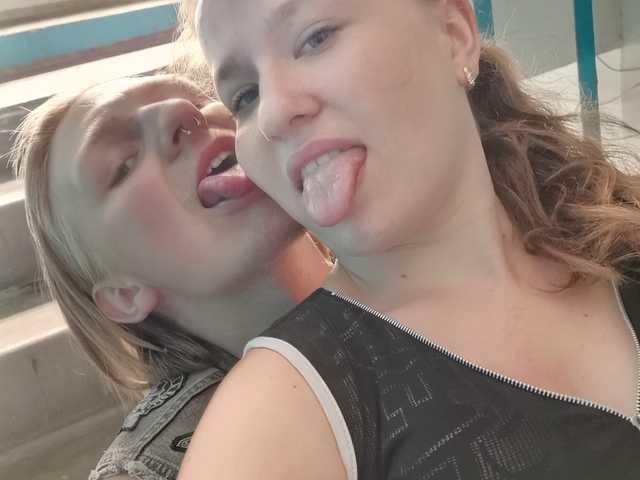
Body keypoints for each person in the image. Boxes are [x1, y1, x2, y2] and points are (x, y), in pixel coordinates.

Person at [179, 0, 640, 478]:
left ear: (454, 32)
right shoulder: (279, 413)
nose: (273, 114)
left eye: (315, 38)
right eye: (245, 97)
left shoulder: (618, 223)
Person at [10, 72, 330, 480]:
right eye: (123, 165)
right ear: (125, 293)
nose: (180, 111)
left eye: (196, 98)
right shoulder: (149, 468)